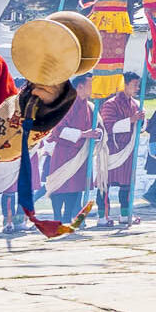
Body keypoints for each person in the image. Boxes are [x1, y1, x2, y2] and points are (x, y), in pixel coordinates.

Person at [40, 75, 97, 224]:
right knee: (60, 185)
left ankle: (67, 217)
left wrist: (97, 134)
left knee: (75, 186)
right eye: (90, 84)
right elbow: (58, 129)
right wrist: (83, 134)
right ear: (80, 87)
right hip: (64, 152)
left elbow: (99, 127)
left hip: (80, 153)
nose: (93, 88)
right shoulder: (67, 104)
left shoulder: (89, 106)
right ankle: (57, 217)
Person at [97, 74, 145, 227]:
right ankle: (102, 217)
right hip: (111, 149)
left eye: (138, 85)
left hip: (128, 149)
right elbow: (108, 126)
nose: (137, 88)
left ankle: (125, 215)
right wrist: (131, 120)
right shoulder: (110, 104)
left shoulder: (136, 104)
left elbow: (141, 128)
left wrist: (141, 121)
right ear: (124, 85)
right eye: (135, 85)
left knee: (127, 184)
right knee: (105, 184)